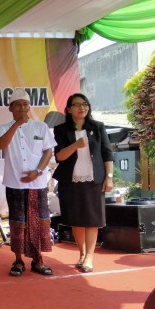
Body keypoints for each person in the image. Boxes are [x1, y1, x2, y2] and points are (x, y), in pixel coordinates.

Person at [0, 87, 56, 277]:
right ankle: (18, 260)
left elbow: (48, 151)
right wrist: (17, 124)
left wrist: (37, 172)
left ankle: (38, 261)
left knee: (38, 223)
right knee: (17, 223)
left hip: (37, 184)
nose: (22, 109)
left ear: (29, 107)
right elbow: (0, 145)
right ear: (10, 108)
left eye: (25, 105)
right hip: (15, 184)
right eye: (18, 105)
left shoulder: (40, 127)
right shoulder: (3, 128)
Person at [53, 93, 114, 273]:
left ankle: (90, 257)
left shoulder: (98, 127)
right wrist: (75, 145)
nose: (82, 108)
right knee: (76, 219)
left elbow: (107, 153)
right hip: (70, 180)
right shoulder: (61, 130)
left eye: (85, 104)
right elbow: (59, 156)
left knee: (92, 219)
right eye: (77, 105)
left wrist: (109, 176)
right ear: (69, 109)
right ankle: (82, 253)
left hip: (94, 179)